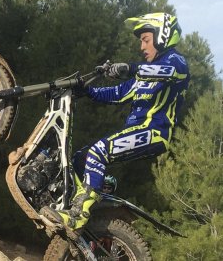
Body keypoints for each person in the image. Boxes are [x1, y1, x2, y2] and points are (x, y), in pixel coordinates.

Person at [41, 12, 190, 230]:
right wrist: (86, 90)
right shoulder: (143, 77)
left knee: (98, 152)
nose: (142, 47)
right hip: (137, 130)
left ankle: (77, 216)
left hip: (154, 132)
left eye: (146, 40)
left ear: (163, 36)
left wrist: (128, 68)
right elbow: (116, 93)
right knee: (80, 159)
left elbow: (165, 72)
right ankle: (76, 208)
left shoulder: (176, 62)